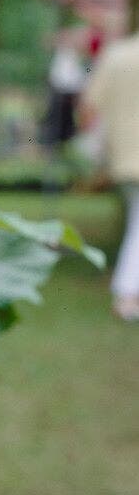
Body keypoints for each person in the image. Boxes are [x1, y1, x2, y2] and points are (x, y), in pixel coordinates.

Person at [81, 31, 139, 319]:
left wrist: (98, 153)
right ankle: (127, 294)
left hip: (123, 158)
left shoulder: (116, 55)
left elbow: (88, 108)